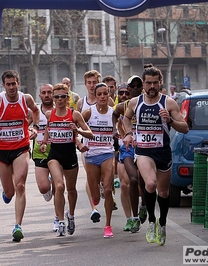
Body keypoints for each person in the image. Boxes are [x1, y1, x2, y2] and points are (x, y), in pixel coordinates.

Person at [123, 65, 189, 246]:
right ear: (143, 83)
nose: (152, 86)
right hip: (143, 151)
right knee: (150, 183)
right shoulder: (135, 103)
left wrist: (170, 120)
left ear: (160, 83)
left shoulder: (168, 103)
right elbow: (126, 118)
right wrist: (128, 134)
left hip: (163, 152)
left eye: (155, 83)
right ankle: (151, 220)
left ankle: (163, 223)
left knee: (164, 192)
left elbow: (185, 127)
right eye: (149, 83)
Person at [0, 70, 40, 242]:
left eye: (14, 84)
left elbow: (36, 111)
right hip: (2, 150)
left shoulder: (26, 99)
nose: (11, 87)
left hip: (21, 147)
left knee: (20, 185)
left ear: (19, 83)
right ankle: (6, 192)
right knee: (10, 192)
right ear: (3, 85)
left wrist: (35, 128)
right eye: (8, 84)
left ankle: (18, 226)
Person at [40, 83, 93, 237]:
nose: (59, 99)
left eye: (63, 96)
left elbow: (90, 133)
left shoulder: (74, 114)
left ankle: (71, 215)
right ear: (53, 98)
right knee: (59, 186)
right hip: (54, 155)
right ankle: (61, 221)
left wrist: (78, 130)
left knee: (71, 189)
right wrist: (44, 142)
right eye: (56, 96)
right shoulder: (50, 114)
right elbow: (48, 129)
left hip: (69, 154)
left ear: (68, 97)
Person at [77, 70, 115, 223]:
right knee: (91, 178)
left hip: (107, 148)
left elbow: (114, 121)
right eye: (89, 83)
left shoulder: (110, 103)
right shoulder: (82, 103)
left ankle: (106, 191)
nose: (92, 86)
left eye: (94, 82)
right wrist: (79, 142)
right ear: (86, 84)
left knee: (105, 181)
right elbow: (76, 122)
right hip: (88, 148)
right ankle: (94, 208)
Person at [112, 75, 147, 233]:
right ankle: (134, 218)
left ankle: (143, 206)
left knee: (143, 181)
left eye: (137, 86)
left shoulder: (148, 104)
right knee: (132, 179)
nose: (134, 89)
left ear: (142, 87)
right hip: (127, 147)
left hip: (145, 146)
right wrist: (115, 130)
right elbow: (114, 114)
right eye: (131, 86)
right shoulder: (124, 105)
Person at [28, 83, 58, 231]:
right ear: (39, 96)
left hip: (57, 152)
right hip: (39, 152)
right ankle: (48, 184)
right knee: (44, 187)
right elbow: (24, 125)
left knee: (58, 187)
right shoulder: (34, 112)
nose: (47, 95)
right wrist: (29, 130)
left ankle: (58, 218)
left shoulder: (60, 110)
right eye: (44, 93)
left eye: (49, 92)